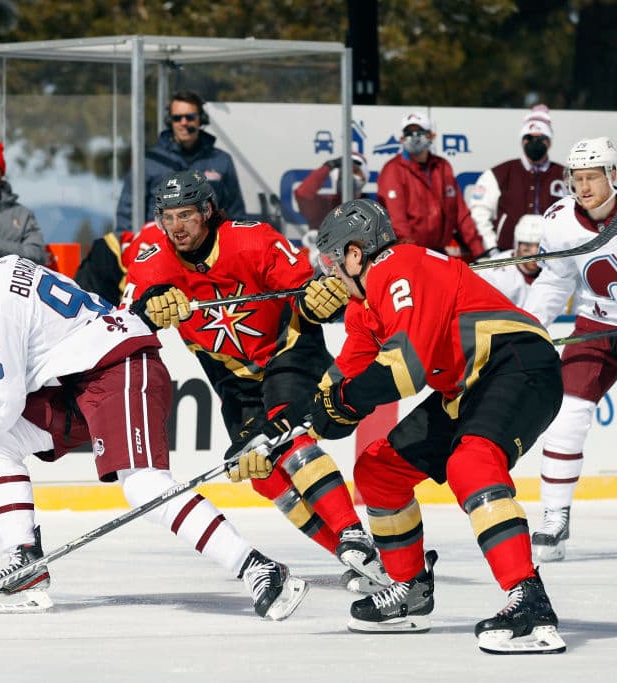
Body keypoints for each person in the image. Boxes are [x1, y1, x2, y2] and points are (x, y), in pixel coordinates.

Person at [0, 215, 308, 621]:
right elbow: (9, 399)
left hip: (119, 368)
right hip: (82, 380)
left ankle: (258, 568)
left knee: (143, 484)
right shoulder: (5, 270)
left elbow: (0, 401)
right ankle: (24, 565)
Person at [238, 198, 563, 653]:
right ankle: (409, 589)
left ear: (356, 253)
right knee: (378, 470)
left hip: (517, 362)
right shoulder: (363, 308)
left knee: (472, 463)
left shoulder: (398, 264)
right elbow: (340, 384)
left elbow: (404, 371)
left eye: (332, 261)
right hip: (466, 386)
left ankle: (529, 601)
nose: (328, 275)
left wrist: (343, 401)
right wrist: (285, 423)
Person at [120, 170, 388, 594]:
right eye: (168, 217)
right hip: (232, 376)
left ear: (207, 210)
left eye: (186, 215)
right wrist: (148, 306)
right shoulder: (151, 256)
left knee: (282, 434)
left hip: (288, 349)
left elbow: (308, 291)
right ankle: (349, 551)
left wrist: (320, 300)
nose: (177, 227)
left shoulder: (252, 239)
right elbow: (127, 315)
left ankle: (353, 532)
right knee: (260, 470)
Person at [521, 137, 617, 562]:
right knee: (567, 415)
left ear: (613, 175)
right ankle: (554, 517)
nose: (584, 187)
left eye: (593, 177)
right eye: (577, 179)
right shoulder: (559, 221)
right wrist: (524, 328)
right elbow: (556, 281)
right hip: (595, 324)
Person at [115, 90, 245, 231]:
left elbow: (235, 212)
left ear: (200, 119)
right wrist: (127, 244)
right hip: (159, 245)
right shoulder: (149, 162)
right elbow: (127, 211)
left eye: (189, 117)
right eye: (177, 118)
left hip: (208, 247)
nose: (183, 123)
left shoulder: (221, 160)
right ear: (170, 121)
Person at [377, 111, 489, 259]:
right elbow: (398, 222)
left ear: (431, 136)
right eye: (409, 133)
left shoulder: (442, 167)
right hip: (405, 255)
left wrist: (479, 252)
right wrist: (414, 256)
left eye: (419, 132)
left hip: (438, 252)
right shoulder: (393, 170)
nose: (414, 137)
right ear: (402, 138)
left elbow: (460, 215)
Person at [468, 105, 567, 253]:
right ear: (522, 140)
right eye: (529, 137)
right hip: (507, 253)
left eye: (541, 138)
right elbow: (479, 212)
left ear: (549, 141)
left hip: (553, 254)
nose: (535, 142)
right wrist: (491, 248)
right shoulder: (499, 173)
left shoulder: (565, 175)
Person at [476, 214, 545, 307]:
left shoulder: (558, 269)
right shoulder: (493, 275)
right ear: (516, 246)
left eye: (539, 247)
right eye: (527, 248)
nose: (534, 254)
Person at [294, 151, 369, 231]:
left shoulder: (371, 206)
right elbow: (303, 194)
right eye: (343, 173)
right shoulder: (325, 205)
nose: (348, 177)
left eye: (355, 171)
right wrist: (328, 166)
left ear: (364, 177)